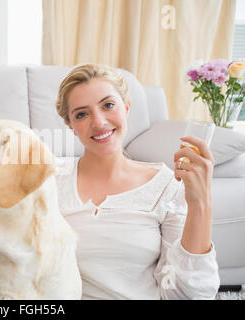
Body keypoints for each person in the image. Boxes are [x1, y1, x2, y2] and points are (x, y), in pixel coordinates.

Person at [54, 63, 220, 299]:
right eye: (82, 114)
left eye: (108, 105)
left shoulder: (165, 187)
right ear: (70, 126)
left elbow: (188, 294)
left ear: (127, 107)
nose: (99, 122)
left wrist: (200, 203)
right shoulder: (50, 181)